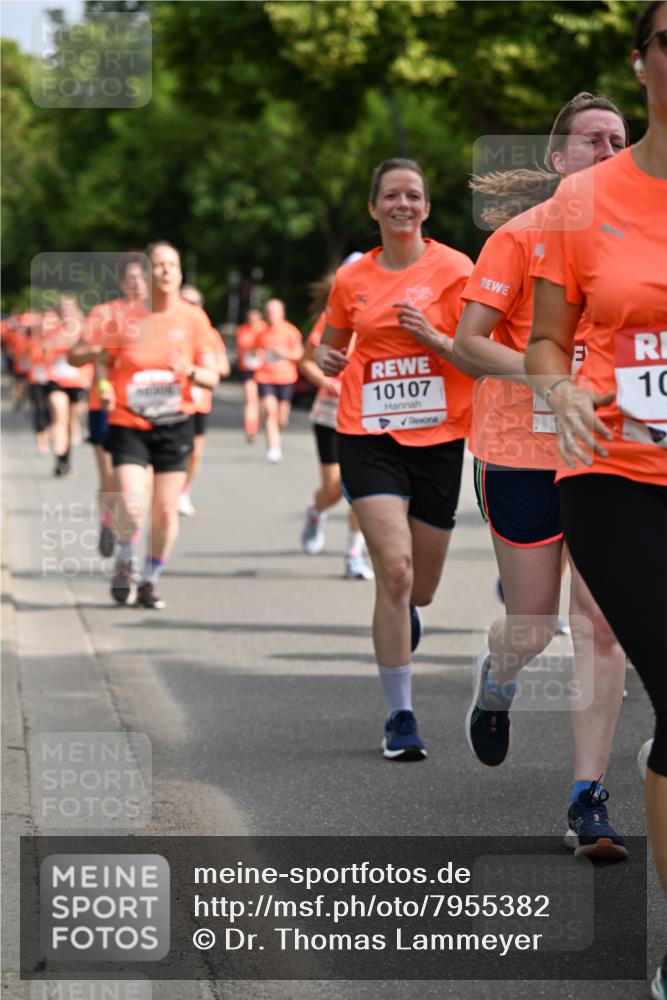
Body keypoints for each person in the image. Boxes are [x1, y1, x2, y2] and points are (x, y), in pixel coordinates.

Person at [525, 4, 666, 994]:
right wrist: (558, 382)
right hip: (616, 474)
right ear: (643, 60)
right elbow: (542, 337)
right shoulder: (584, 200)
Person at [454, 93, 630, 858]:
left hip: (606, 451)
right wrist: (548, 381)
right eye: (590, 141)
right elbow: (467, 343)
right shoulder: (520, 238)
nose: (605, 149)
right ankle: (497, 679)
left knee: (597, 620)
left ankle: (586, 797)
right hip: (518, 446)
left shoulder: (641, 245)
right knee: (530, 627)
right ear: (558, 161)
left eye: (617, 139)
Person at [317, 158, 474, 760]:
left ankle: (403, 617)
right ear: (374, 208)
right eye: (391, 195)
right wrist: (329, 362)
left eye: (413, 195)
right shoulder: (353, 278)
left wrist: (435, 339)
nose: (402, 204)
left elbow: (479, 352)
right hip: (367, 434)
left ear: (426, 208)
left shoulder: (456, 269)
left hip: (438, 439)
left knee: (422, 590)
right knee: (396, 570)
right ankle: (400, 715)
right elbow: (329, 349)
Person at [100, 242, 219, 609]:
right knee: (134, 505)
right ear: (146, 273)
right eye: (158, 265)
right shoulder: (125, 316)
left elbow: (213, 374)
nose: (166, 270)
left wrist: (193, 372)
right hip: (129, 421)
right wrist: (105, 387)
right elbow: (104, 361)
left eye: (172, 265)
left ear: (180, 274)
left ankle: (150, 578)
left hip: (175, 423)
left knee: (166, 510)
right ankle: (125, 558)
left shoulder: (193, 318)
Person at [298, 257, 373, 580]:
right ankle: (316, 512)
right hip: (330, 413)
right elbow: (306, 361)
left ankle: (353, 554)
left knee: (360, 486)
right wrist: (327, 380)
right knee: (335, 488)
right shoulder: (331, 317)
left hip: (367, 413)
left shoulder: (382, 312)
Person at [68, 253, 148, 555]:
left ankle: (128, 540)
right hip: (104, 405)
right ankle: (107, 520)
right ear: (121, 282)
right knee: (111, 478)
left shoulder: (157, 317)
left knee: (135, 484)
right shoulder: (104, 314)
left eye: (142, 278)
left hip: (143, 409)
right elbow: (74, 356)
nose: (137, 284)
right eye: (131, 278)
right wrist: (98, 352)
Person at [177, 284, 231, 516]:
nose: (190, 308)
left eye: (194, 303)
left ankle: (183, 491)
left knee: (195, 452)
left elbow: (223, 368)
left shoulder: (209, 334)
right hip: (173, 401)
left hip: (199, 400)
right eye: (185, 302)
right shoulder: (167, 328)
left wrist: (199, 367)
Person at [44, 297, 90, 476]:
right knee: (58, 415)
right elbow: (42, 352)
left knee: (71, 423)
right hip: (56, 380)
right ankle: (59, 455)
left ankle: (65, 458)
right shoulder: (52, 331)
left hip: (77, 382)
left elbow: (92, 354)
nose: (66, 312)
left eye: (69, 308)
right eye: (62, 309)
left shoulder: (84, 331)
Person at [254, 298, 303, 463]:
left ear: (282, 313)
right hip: (265, 376)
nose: (271, 315)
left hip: (286, 377)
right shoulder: (261, 333)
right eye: (268, 311)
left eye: (274, 311)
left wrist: (284, 354)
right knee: (270, 411)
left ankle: (277, 435)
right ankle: (272, 448)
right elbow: (256, 354)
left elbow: (299, 354)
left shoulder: (291, 331)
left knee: (282, 418)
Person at [234, 308, 267, 442]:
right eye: (250, 318)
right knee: (250, 399)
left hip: (263, 370)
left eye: (255, 318)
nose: (252, 321)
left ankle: (256, 423)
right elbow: (238, 348)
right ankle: (250, 428)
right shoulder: (242, 329)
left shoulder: (265, 329)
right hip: (247, 369)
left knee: (259, 402)